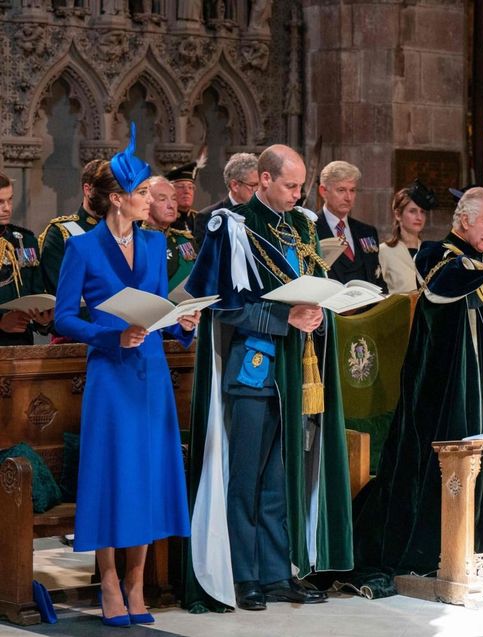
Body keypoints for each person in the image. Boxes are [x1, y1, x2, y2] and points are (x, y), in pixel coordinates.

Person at [347, 187, 483, 597]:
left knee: (482, 453)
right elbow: (450, 287)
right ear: (465, 220)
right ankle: (433, 551)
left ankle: (477, 547)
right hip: (441, 384)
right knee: (436, 465)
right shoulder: (436, 254)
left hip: (480, 380)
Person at [185, 144, 351, 611]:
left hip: (296, 368)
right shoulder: (232, 225)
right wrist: (285, 320)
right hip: (253, 368)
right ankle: (244, 575)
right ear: (262, 180)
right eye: (291, 186)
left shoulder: (301, 224)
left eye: (302, 186)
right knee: (246, 478)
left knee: (281, 476)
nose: (299, 195)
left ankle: (279, 571)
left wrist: (321, 310)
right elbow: (224, 306)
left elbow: (310, 285)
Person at [53, 125, 197, 626]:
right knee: (113, 476)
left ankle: (138, 583)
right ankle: (109, 581)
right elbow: (64, 315)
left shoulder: (156, 246)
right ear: (116, 199)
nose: (151, 200)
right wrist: (110, 336)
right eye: (140, 194)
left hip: (151, 371)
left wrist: (182, 323)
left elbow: (160, 304)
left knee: (149, 475)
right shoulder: (83, 249)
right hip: (111, 374)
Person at [314, 160, 385, 290]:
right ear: (323, 191)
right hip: (329, 308)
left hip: (369, 307)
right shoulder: (309, 229)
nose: (348, 197)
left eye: (352, 190)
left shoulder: (367, 231)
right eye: (341, 190)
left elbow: (378, 279)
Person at [38, 159, 105, 294]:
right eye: (105, 192)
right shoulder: (61, 232)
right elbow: (59, 289)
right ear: (88, 190)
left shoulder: (125, 230)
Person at [0, 171, 51, 345]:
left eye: (10, 200)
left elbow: (36, 292)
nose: (7, 208)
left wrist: (43, 320)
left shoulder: (26, 240)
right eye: (0, 202)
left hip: (22, 346)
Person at [378, 180, 436, 293]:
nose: (419, 217)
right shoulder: (385, 251)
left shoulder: (431, 253)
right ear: (398, 215)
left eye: (422, 212)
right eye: (413, 211)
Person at [142, 176, 197, 294]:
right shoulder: (134, 241)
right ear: (146, 203)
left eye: (173, 199)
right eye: (162, 199)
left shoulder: (184, 240)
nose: (171, 205)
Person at [194, 152, 259, 247]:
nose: (257, 190)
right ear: (235, 186)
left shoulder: (264, 213)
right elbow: (207, 258)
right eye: (253, 185)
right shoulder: (207, 217)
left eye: (260, 185)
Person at [166, 152, 205, 233]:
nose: (187, 191)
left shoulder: (200, 220)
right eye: (181, 186)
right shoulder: (163, 220)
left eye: (190, 187)